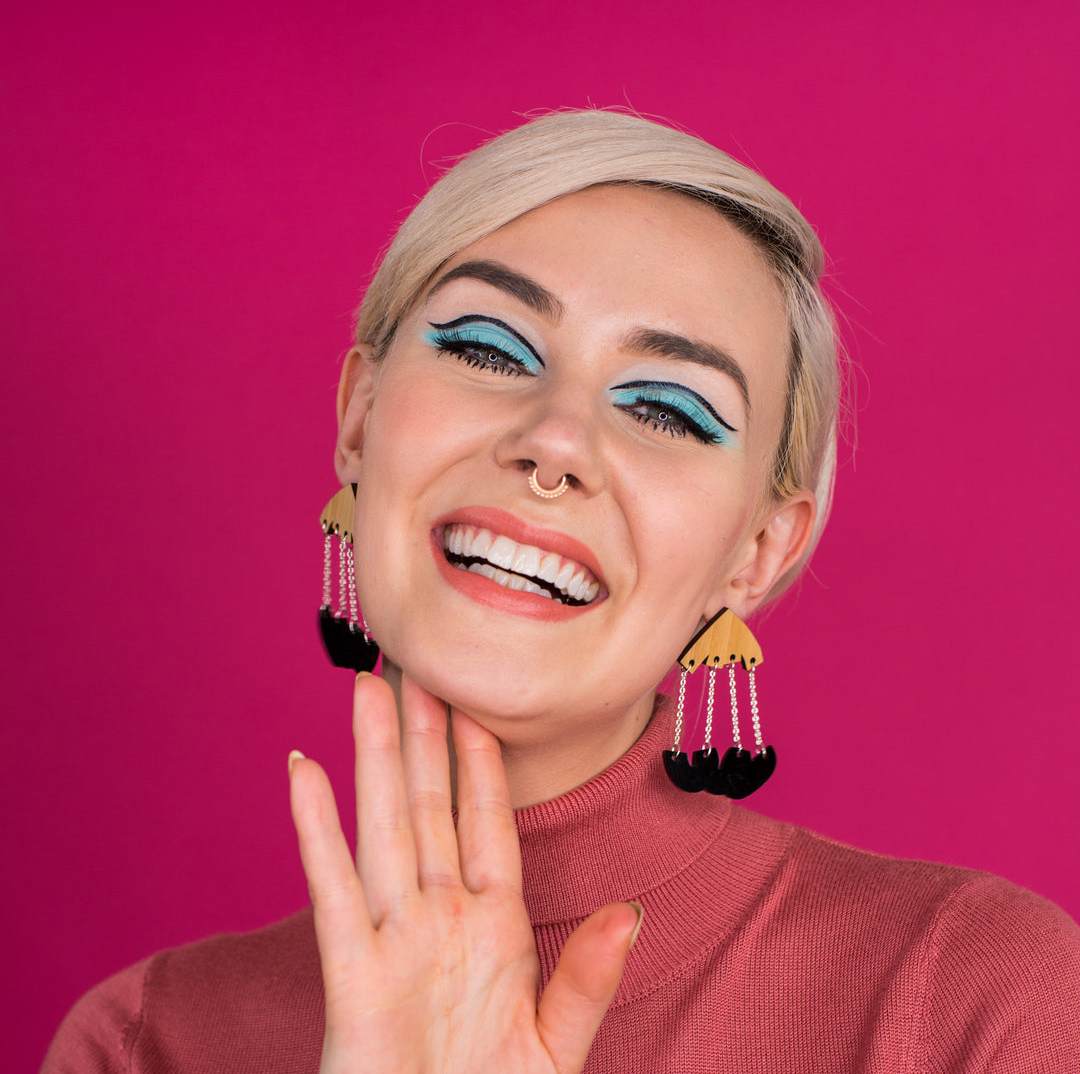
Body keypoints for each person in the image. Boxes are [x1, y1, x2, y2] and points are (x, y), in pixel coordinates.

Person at [43, 110, 1080, 1073]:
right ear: (360, 416)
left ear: (756, 552)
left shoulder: (978, 998)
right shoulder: (148, 1041)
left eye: (670, 410)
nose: (554, 441)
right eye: (489, 349)